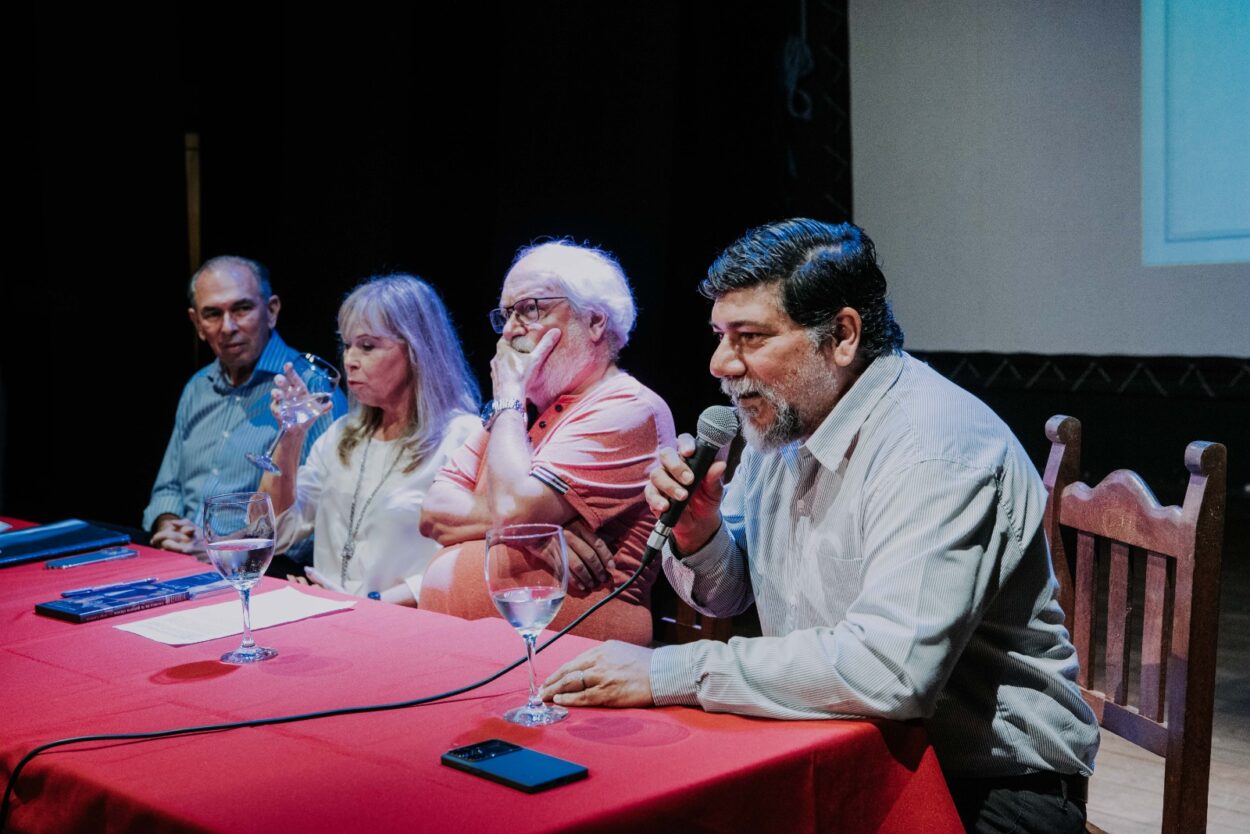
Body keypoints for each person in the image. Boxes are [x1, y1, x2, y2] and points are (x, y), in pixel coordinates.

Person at [539, 220, 1100, 834]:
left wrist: (670, 671)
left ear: (842, 335)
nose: (721, 363)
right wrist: (700, 536)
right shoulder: (784, 421)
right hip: (838, 746)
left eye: (749, 337)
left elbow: (890, 672)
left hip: (986, 788)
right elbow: (731, 592)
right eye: (721, 335)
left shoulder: (932, 448)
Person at [419, 240, 676, 645]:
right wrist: (542, 531)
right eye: (505, 314)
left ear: (594, 322)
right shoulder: (519, 413)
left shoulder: (628, 407)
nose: (509, 331)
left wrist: (508, 394)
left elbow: (513, 509)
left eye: (529, 309)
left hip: (572, 659)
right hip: (473, 651)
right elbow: (433, 514)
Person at [259, 274, 480, 604]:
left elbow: (472, 560)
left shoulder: (463, 437)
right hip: (330, 620)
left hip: (408, 626)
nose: (349, 360)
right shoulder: (341, 436)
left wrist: (372, 603)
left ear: (416, 351)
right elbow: (273, 535)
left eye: (367, 346)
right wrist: (290, 439)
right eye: (347, 345)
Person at [144, 256, 344, 553]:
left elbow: (327, 519)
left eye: (242, 309)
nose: (228, 327)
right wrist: (168, 525)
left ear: (272, 310)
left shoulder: (309, 390)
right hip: (180, 562)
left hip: (262, 570)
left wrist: (223, 548)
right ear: (197, 323)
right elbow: (168, 489)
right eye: (212, 314)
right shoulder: (198, 388)